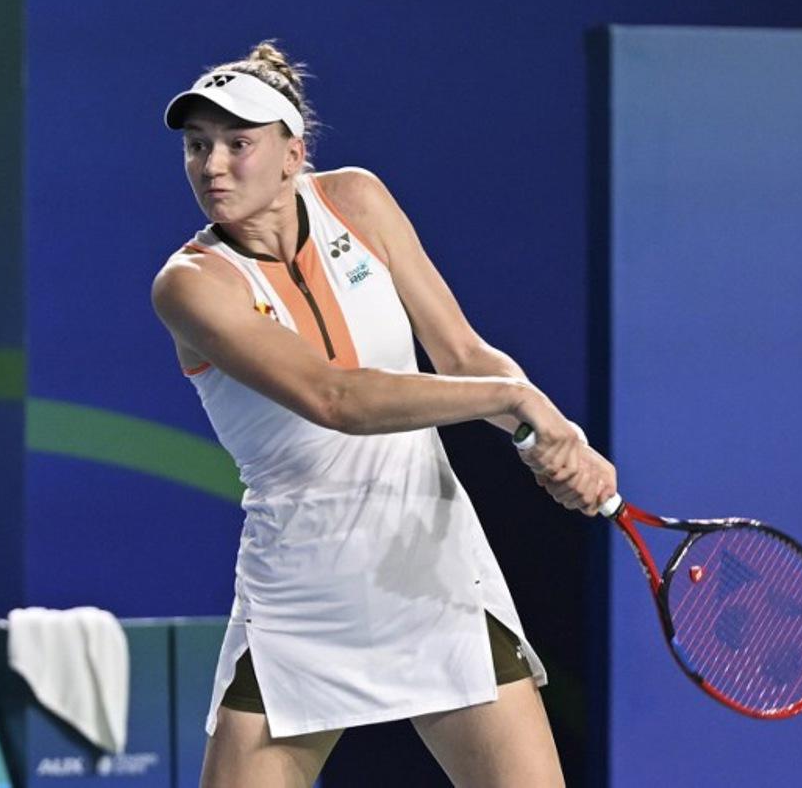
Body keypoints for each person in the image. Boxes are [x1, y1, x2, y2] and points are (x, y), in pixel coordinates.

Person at [151, 41, 617, 788]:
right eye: (197, 146)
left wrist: (556, 434)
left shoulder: (358, 201)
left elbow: (463, 354)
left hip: (432, 566)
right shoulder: (192, 284)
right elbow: (337, 399)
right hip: (302, 591)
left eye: (238, 144)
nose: (212, 166)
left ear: (292, 154)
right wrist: (516, 402)